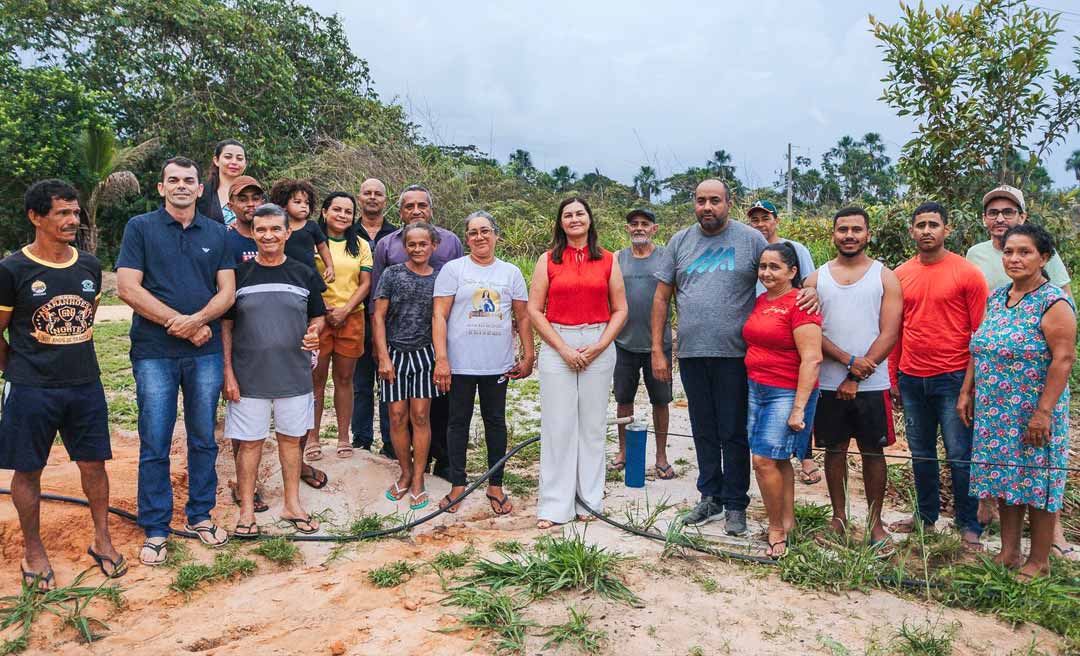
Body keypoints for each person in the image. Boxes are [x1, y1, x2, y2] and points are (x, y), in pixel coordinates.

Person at [652, 179, 818, 533]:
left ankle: (735, 504)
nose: (707, 207)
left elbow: (784, 269)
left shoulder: (750, 239)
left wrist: (812, 293)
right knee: (703, 429)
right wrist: (659, 349)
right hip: (693, 354)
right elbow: (662, 298)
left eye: (715, 200)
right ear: (693, 204)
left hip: (736, 356)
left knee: (733, 431)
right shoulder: (679, 242)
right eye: (700, 201)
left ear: (728, 203)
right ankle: (709, 496)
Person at [0, 179, 125, 589]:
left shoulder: (88, 266)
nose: (73, 220)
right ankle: (34, 551)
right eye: (63, 213)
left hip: (84, 383)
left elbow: (84, 319)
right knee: (28, 469)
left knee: (94, 464)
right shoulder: (12, 270)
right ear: (36, 217)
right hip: (31, 388)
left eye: (75, 213)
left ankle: (102, 539)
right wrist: (17, 369)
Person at [116, 157, 236, 565]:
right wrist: (179, 323)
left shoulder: (217, 234)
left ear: (201, 189)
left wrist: (200, 321)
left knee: (203, 436)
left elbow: (227, 292)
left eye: (189, 180)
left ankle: (200, 515)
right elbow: (127, 288)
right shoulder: (141, 228)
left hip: (205, 352)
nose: (182, 186)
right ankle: (155, 527)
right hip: (155, 352)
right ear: (161, 187)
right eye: (174, 180)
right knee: (155, 438)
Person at [965, 185, 1076, 561]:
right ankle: (1008, 553)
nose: (1014, 258)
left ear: (1043, 257)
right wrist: (968, 392)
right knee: (1005, 482)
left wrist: (1043, 412)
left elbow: (1063, 359)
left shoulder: (1054, 303)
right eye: (1009, 252)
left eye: (1025, 252)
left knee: (1038, 486)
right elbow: (978, 346)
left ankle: (1039, 562)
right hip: (996, 412)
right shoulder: (998, 298)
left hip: (1033, 413)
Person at [887, 201, 987, 551]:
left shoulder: (967, 273)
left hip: (954, 377)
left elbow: (980, 334)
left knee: (960, 453)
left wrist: (969, 387)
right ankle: (925, 516)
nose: (927, 230)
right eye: (920, 224)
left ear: (947, 229)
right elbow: (896, 329)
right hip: (912, 378)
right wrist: (894, 377)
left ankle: (969, 523)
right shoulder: (900, 274)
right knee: (921, 452)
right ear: (911, 231)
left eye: (933, 224)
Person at [222, 204, 327, 537]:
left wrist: (315, 333)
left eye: (275, 229)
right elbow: (225, 327)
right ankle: (247, 512)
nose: (268, 235)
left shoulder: (304, 272)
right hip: (248, 377)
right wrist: (227, 372)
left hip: (294, 375)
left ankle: (292, 505)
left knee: (291, 442)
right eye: (261, 230)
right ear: (253, 233)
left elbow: (318, 316)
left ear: (287, 232)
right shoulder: (239, 276)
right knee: (250, 444)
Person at [528, 197, 628, 529]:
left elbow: (621, 309)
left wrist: (600, 345)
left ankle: (589, 501)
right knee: (558, 425)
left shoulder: (609, 260)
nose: (574, 219)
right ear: (560, 222)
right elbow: (534, 310)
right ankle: (555, 505)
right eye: (568, 215)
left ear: (589, 219)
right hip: (559, 343)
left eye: (580, 213)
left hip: (598, 341)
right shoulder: (548, 260)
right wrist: (563, 349)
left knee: (592, 425)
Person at [804, 206, 901, 546]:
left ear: (867, 234)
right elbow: (808, 329)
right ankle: (839, 519)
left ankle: (876, 525)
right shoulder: (817, 278)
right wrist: (847, 362)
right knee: (834, 450)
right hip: (829, 381)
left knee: (873, 452)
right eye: (842, 229)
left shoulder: (884, 276)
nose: (849, 235)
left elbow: (890, 332)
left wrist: (858, 374)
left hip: (872, 383)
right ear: (833, 234)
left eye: (856, 229)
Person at [432, 211, 534, 515]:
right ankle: (457, 484)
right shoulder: (453, 270)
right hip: (460, 364)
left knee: (495, 423)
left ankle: (495, 484)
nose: (480, 237)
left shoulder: (510, 273)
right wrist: (442, 359)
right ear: (467, 238)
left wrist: (528, 355)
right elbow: (439, 315)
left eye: (485, 231)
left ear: (496, 235)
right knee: (457, 423)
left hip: (497, 365)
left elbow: (523, 316)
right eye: (473, 232)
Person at [372, 185, 463, 478]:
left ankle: (442, 460)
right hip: (396, 343)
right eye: (409, 206)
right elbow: (378, 303)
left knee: (434, 408)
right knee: (397, 412)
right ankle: (401, 462)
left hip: (436, 343)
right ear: (400, 212)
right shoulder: (387, 246)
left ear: (431, 209)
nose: (415, 210)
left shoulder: (450, 242)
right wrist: (380, 350)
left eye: (421, 205)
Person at [743, 243, 822, 558]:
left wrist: (799, 407)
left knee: (762, 462)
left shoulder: (801, 303)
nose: (766, 273)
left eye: (775, 267)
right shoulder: (761, 300)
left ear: (792, 271)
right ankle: (787, 521)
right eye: (763, 266)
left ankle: (775, 529)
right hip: (756, 389)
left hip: (785, 391)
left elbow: (812, 358)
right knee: (777, 460)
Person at [747, 199, 820, 485]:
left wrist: (810, 293)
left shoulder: (794, 249)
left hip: (792, 332)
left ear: (776, 220)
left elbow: (810, 282)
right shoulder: (751, 249)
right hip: (761, 336)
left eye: (765, 218)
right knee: (767, 448)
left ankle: (806, 457)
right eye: (755, 220)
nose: (760, 224)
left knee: (797, 408)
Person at [373, 222, 444, 510]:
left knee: (421, 417)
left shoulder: (439, 278)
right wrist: (383, 357)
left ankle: (418, 478)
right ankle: (404, 472)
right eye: (411, 244)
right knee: (397, 416)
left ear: (433, 246)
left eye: (423, 244)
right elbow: (378, 317)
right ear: (405, 246)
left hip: (425, 355)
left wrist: (441, 358)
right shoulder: (392, 274)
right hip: (395, 355)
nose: (417, 249)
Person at [610, 208, 675, 479]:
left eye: (644, 224)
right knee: (624, 400)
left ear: (654, 229)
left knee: (661, 401)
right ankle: (623, 451)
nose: (639, 228)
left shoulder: (666, 259)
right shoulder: (616, 259)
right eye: (634, 224)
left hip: (658, 346)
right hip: (623, 343)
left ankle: (661, 456)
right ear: (627, 229)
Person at [309, 192, 372, 460]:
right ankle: (312, 437)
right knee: (316, 380)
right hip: (318, 319)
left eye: (348, 211)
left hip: (352, 318)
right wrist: (324, 310)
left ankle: (344, 437)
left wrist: (345, 310)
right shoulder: (310, 242)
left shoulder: (360, 245)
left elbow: (365, 283)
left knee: (345, 379)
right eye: (337, 209)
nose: (342, 215)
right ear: (324, 212)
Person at [351, 178, 397, 455]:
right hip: (355, 318)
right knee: (360, 383)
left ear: (385, 200)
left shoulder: (396, 235)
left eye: (377, 194)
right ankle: (361, 438)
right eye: (367, 192)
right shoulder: (346, 231)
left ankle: (391, 442)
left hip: (388, 320)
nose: (372, 197)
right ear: (359, 197)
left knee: (389, 382)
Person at [965, 185, 1071, 296]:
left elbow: (1065, 297)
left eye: (1008, 212)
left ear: (1022, 217)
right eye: (993, 213)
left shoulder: (1039, 250)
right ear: (984, 218)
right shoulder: (975, 254)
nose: (1000, 219)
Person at [268, 178, 335, 282]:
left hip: (309, 275)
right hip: (285, 276)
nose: (304, 206)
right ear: (284, 205)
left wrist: (330, 267)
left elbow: (322, 248)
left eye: (307, 203)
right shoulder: (277, 227)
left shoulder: (312, 226)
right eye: (297, 202)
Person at [197, 139, 247, 225]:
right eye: (228, 157)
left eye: (239, 158)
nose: (234, 162)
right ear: (216, 160)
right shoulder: (202, 191)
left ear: (245, 164)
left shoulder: (255, 192)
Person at [223, 175, 264, 264]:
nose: (251, 204)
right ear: (230, 206)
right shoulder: (225, 241)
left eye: (255, 199)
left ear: (262, 202)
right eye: (243, 199)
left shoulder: (275, 238)